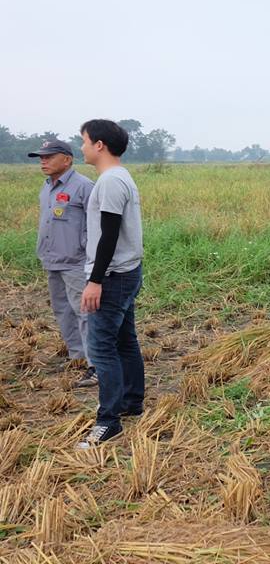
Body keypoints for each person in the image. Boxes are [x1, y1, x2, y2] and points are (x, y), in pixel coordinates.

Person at [77, 119, 145, 449]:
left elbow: (109, 235)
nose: (82, 148)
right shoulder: (119, 177)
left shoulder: (110, 182)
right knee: (124, 340)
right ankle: (132, 403)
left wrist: (95, 281)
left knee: (102, 348)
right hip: (126, 272)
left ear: (99, 145)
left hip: (114, 276)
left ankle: (108, 422)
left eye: (84, 141)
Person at [28, 138, 97, 386]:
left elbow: (95, 226)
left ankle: (96, 364)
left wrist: (89, 256)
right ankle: (77, 355)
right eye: (41, 158)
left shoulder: (84, 187)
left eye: (49, 156)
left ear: (66, 159)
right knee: (62, 309)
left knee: (85, 312)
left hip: (76, 261)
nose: (43, 161)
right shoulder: (47, 187)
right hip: (52, 259)